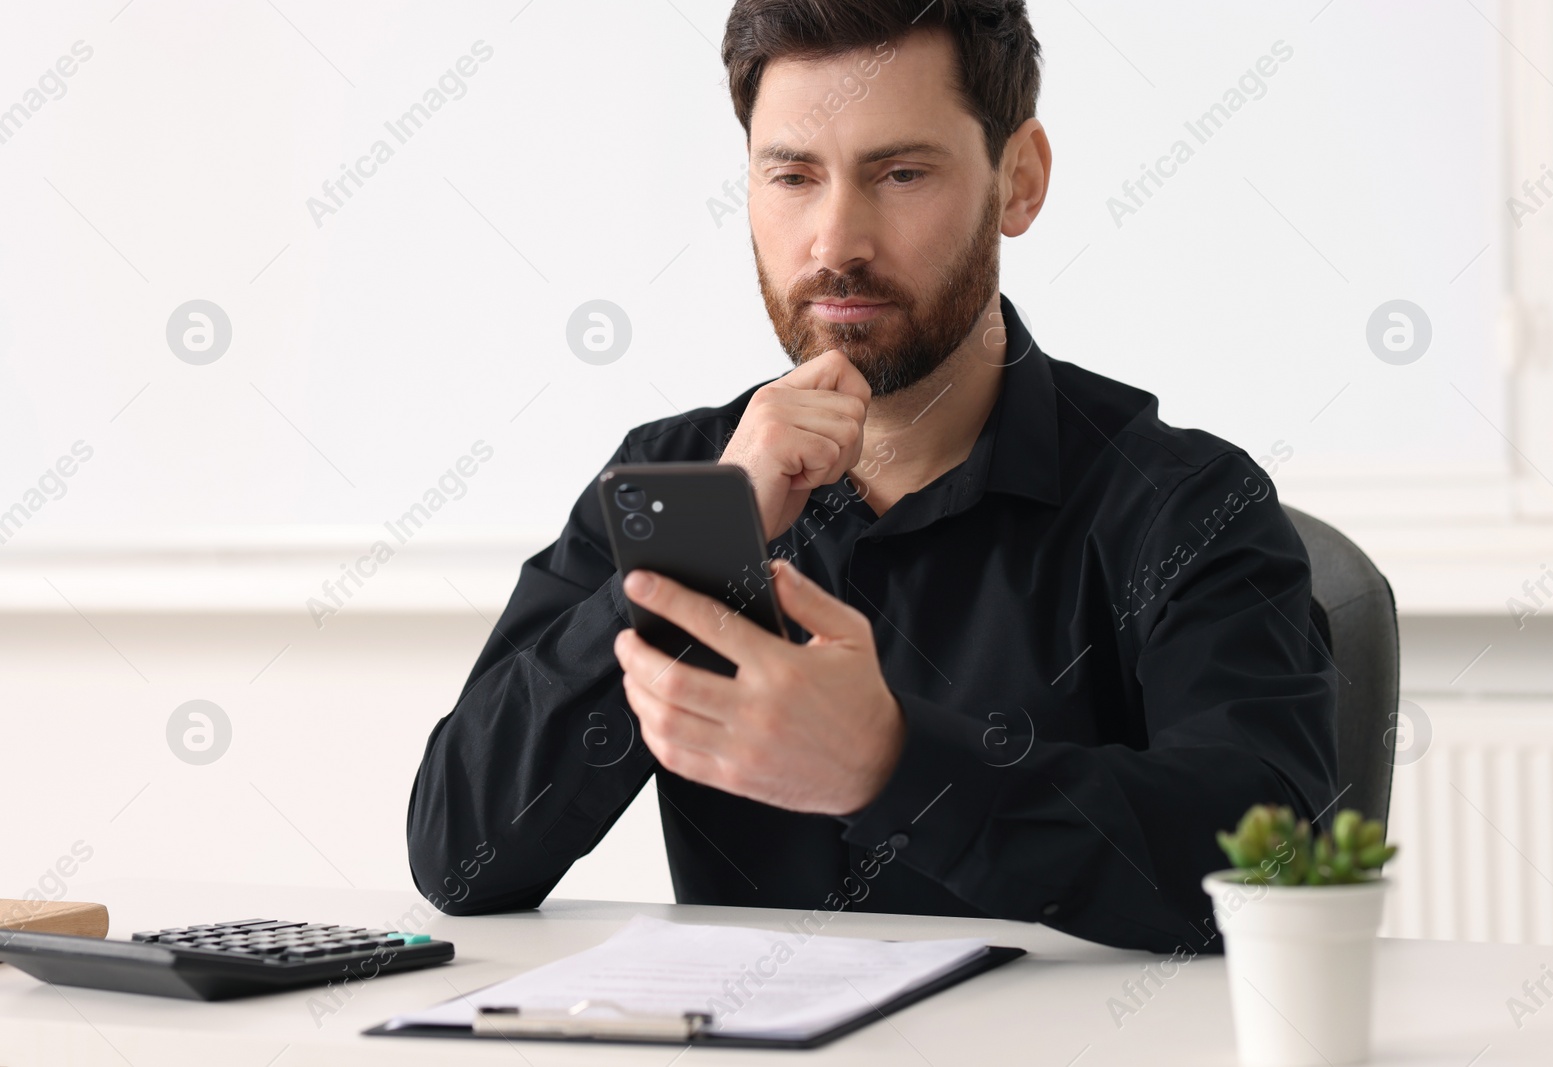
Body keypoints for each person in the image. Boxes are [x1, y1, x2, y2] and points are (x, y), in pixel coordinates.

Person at [406, 0, 1337, 954]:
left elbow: (1276, 863)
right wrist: (703, 544)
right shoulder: (679, 481)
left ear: (1018, 181)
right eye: (793, 176)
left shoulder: (1186, 505)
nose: (835, 241)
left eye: (899, 173)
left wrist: (892, 767)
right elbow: (460, 855)